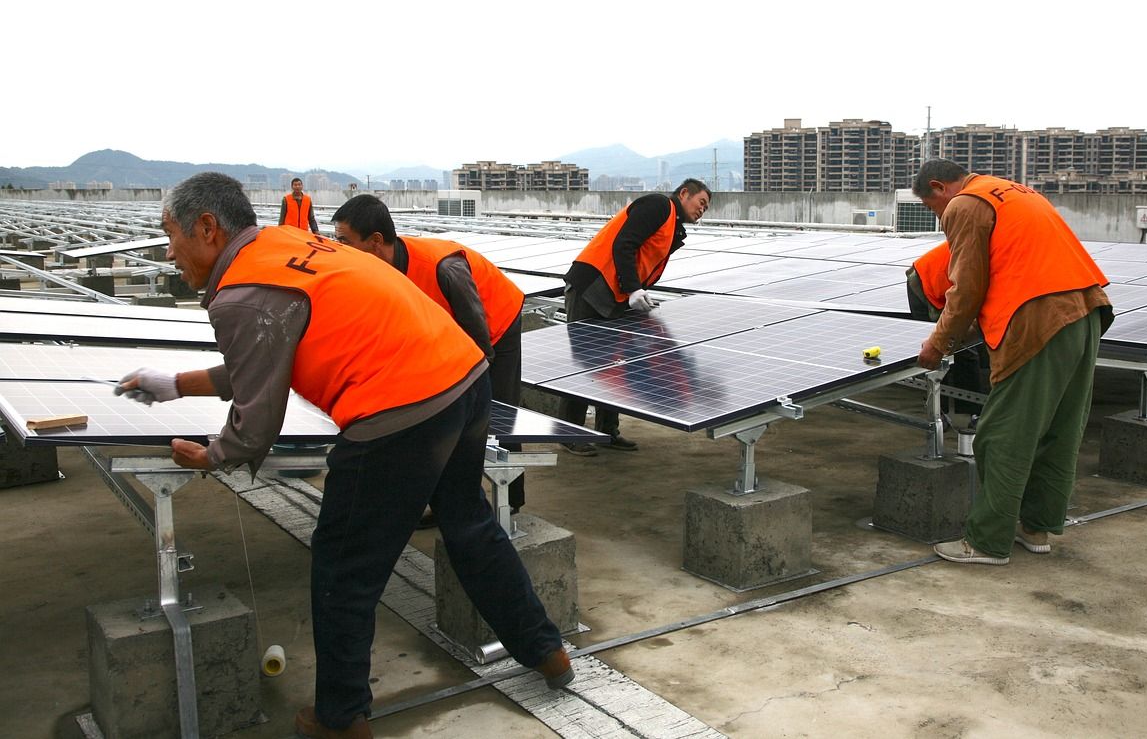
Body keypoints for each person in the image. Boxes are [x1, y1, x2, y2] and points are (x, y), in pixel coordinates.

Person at [114, 173, 571, 739]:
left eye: (170, 233)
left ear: (207, 228)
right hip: (463, 375)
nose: (168, 249)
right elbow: (264, 360)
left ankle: (340, 718)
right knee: (470, 524)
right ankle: (547, 651)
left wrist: (213, 455)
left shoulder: (239, 294)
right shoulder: (281, 246)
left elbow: (256, 426)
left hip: (399, 408)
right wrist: (177, 383)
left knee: (344, 569)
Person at [912, 159, 1112, 566]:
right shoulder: (1013, 192)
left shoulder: (965, 205)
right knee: (1059, 428)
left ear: (939, 187)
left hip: (1040, 317)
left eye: (934, 208)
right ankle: (1037, 528)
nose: (940, 219)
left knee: (1002, 435)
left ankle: (986, 543)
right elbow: (1008, 273)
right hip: (1086, 309)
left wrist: (939, 342)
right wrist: (963, 335)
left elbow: (966, 289)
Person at [331, 193, 529, 520]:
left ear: (375, 241)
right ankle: (449, 502)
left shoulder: (443, 267)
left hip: (496, 323)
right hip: (447, 330)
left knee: (497, 414)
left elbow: (479, 340)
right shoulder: (377, 269)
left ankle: (511, 503)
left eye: (344, 240)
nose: (337, 248)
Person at [559, 178, 712, 455]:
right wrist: (633, 289)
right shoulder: (659, 206)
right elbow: (624, 244)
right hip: (591, 286)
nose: (703, 210)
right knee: (585, 361)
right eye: (701, 202)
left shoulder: (673, 227)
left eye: (707, 207)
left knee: (614, 360)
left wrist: (637, 293)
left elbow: (642, 258)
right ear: (684, 193)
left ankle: (607, 431)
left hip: (614, 294)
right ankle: (570, 433)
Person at [905, 239, 988, 424]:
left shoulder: (996, 255)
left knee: (964, 349)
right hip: (924, 283)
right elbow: (962, 307)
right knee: (941, 348)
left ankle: (971, 411)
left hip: (946, 284)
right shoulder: (981, 258)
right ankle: (937, 411)